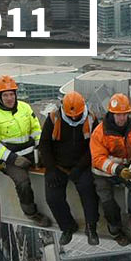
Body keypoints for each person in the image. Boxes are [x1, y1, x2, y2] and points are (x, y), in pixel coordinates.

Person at [0, 75, 51, 227]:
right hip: (10, 159)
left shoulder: (25, 108)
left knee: (54, 166)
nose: (9, 98)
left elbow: (35, 129)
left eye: (12, 94)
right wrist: (13, 159)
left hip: (31, 152)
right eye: (5, 95)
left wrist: (40, 146)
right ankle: (31, 213)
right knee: (23, 183)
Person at [90, 92, 131, 244]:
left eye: (124, 114)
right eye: (118, 115)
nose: (122, 118)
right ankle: (115, 231)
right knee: (109, 204)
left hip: (126, 169)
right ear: (111, 114)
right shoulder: (100, 133)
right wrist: (118, 169)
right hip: (103, 174)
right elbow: (98, 159)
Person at [38, 90, 99, 245]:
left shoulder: (91, 119)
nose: (73, 118)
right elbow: (44, 145)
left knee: (89, 192)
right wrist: (51, 169)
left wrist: (79, 167)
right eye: (70, 115)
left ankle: (91, 227)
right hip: (58, 165)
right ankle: (67, 226)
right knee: (53, 197)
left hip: (82, 165)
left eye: (76, 115)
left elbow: (94, 147)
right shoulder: (54, 119)